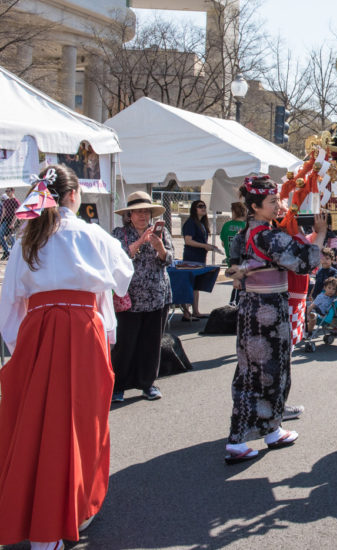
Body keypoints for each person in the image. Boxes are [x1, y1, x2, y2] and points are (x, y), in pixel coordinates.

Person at [0, 165, 134, 549]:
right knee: (83, 422)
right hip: (83, 330)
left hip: (38, 331)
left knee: (36, 424)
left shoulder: (28, 239)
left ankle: (37, 521)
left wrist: (19, 349)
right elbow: (122, 278)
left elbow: (10, 302)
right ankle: (75, 508)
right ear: (75, 196)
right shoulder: (94, 235)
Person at [223, 175, 326, 464]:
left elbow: (234, 265)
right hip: (265, 309)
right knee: (258, 375)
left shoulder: (249, 232)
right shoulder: (267, 236)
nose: (278, 205)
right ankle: (236, 440)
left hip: (256, 306)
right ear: (255, 206)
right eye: (272, 202)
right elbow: (305, 261)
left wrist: (240, 271)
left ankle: (272, 429)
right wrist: (321, 233)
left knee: (270, 370)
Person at [111, 191, 175, 402]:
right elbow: (116, 259)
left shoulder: (161, 233)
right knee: (125, 344)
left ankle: (147, 383)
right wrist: (140, 242)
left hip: (156, 296)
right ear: (129, 214)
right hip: (129, 299)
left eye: (145, 211)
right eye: (137, 212)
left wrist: (160, 248)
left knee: (151, 342)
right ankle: (118, 385)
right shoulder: (119, 234)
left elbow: (170, 259)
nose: (142, 215)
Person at [182, 199, 216, 320]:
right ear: (194, 209)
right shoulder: (191, 223)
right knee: (189, 285)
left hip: (200, 257)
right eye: (200, 206)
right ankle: (186, 313)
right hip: (191, 257)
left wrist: (208, 247)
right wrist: (205, 246)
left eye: (204, 206)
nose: (203, 208)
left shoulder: (202, 223)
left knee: (196, 286)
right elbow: (188, 240)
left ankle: (195, 311)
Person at [220, 201, 248, 266]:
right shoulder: (246, 226)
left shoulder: (226, 225)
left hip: (231, 260)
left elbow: (223, 243)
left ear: (233, 212)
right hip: (243, 261)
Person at [0, 187, 20, 260]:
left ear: (12, 191)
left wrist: (12, 223)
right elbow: (3, 213)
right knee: (0, 235)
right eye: (6, 191)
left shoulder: (15, 201)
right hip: (6, 220)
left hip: (13, 220)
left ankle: (13, 253)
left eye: (8, 191)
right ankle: (7, 251)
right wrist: (0, 221)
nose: (7, 192)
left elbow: (16, 214)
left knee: (12, 237)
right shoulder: (6, 201)